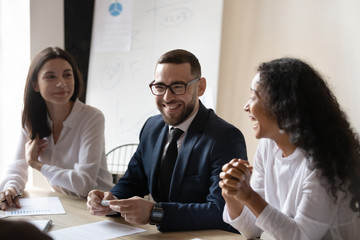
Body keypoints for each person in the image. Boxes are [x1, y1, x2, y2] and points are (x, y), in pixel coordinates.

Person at [87, 49, 247, 232]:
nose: (167, 97)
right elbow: (133, 181)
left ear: (200, 87)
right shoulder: (151, 127)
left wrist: (156, 213)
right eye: (160, 87)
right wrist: (110, 200)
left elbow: (223, 212)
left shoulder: (225, 138)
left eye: (178, 87)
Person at [219, 57, 360, 239]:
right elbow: (252, 229)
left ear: (283, 107)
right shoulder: (267, 147)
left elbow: (300, 237)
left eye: (254, 97)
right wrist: (232, 194)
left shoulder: (324, 162)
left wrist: (248, 196)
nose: (246, 106)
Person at [0, 47, 113, 210]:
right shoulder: (31, 119)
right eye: (50, 77)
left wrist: (36, 164)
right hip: (63, 204)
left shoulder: (92, 118)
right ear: (35, 85)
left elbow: (83, 184)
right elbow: (18, 167)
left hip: (99, 209)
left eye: (67, 75)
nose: (61, 83)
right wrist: (10, 189)